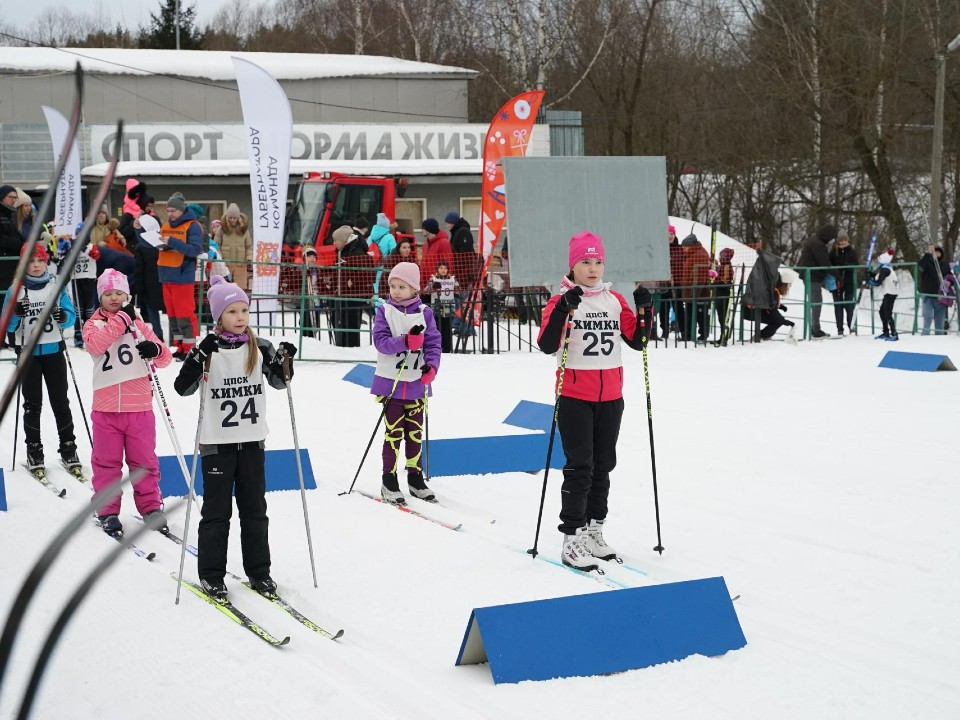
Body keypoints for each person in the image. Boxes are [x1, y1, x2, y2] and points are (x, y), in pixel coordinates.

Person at [173, 276, 295, 600]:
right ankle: (212, 575)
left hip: (253, 442)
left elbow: (281, 382)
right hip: (217, 445)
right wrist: (199, 357)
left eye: (244, 310)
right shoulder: (208, 349)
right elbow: (181, 388)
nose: (240, 317)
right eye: (232, 311)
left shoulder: (259, 346)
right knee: (217, 512)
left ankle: (259, 572)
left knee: (255, 510)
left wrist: (286, 359)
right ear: (218, 316)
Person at [536, 231, 650, 571]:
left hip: (611, 396)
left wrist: (645, 308)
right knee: (580, 467)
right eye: (585, 262)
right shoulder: (562, 300)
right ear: (573, 265)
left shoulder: (615, 299)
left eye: (598, 261)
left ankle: (593, 531)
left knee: (603, 466)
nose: (593, 268)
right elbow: (546, 344)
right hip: (574, 396)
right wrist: (563, 311)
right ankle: (571, 538)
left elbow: (638, 340)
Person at [81, 269, 172, 537]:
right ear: (100, 296)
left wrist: (154, 350)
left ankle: (151, 507)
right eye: (108, 294)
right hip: (107, 408)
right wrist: (122, 319)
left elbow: (164, 358)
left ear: (127, 295)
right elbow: (97, 346)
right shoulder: (93, 324)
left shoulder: (139, 323)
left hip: (139, 407)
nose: (114, 298)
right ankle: (107, 510)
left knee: (143, 461)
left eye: (119, 293)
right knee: (106, 463)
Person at [2, 243, 78, 473]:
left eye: (40, 261)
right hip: (29, 355)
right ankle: (34, 450)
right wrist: (17, 313)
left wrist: (62, 315)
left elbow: (70, 319)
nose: (36, 266)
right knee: (32, 405)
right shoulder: (15, 289)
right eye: (31, 261)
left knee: (61, 402)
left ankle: (68, 448)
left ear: (47, 262)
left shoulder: (56, 287)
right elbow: (7, 324)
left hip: (54, 351)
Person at [371, 261, 441, 505]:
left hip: (416, 384)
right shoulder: (385, 312)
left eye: (402, 286)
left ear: (414, 289)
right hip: (390, 382)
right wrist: (404, 342)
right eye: (393, 286)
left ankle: (415, 476)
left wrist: (432, 367)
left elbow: (433, 343)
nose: (396, 291)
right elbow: (380, 342)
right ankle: (388, 478)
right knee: (394, 432)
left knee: (415, 432)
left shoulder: (425, 313)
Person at [158, 194, 203, 360]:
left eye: (173, 211)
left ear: (182, 210)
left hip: (183, 276)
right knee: (173, 316)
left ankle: (189, 347)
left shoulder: (193, 226)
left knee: (185, 314)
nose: (170, 214)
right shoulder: (166, 225)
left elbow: (195, 250)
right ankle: (179, 346)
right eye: (168, 210)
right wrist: (139, 229)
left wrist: (172, 242)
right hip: (166, 275)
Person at [796, 224, 838, 338]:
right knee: (816, 302)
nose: (831, 241)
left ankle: (814, 328)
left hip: (809, 276)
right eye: (831, 238)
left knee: (815, 302)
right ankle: (815, 330)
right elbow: (824, 262)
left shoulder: (812, 240)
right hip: (812, 277)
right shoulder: (818, 245)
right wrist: (836, 274)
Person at [131, 215, 165, 342]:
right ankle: (174, 338)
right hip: (163, 280)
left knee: (152, 311)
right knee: (169, 311)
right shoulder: (162, 243)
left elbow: (139, 269)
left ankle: (158, 334)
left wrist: (138, 287)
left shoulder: (141, 247)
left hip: (148, 283)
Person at [678, 233, 711, 341]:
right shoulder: (691, 255)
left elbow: (700, 277)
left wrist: (694, 294)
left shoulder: (700, 255)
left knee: (700, 315)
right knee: (690, 314)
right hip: (691, 292)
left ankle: (702, 334)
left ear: (691, 246)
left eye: (684, 247)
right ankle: (688, 334)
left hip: (698, 293)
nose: (683, 249)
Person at [423, 259, 458, 352]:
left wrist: (457, 288)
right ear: (437, 269)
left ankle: (447, 347)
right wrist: (433, 287)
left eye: (445, 268)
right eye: (441, 268)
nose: (443, 270)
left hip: (448, 307)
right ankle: (438, 346)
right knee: (437, 328)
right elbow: (426, 291)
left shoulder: (452, 279)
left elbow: (458, 290)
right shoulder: (433, 278)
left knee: (448, 328)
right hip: (437, 308)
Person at [828, 230, 858, 335]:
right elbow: (829, 264)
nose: (843, 242)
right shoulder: (833, 251)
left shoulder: (852, 251)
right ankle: (840, 329)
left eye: (845, 239)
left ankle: (851, 326)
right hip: (837, 282)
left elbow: (855, 264)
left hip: (849, 281)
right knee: (838, 306)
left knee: (849, 305)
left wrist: (845, 265)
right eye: (841, 240)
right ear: (838, 241)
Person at [216, 203, 252, 290]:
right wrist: (220, 258)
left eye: (234, 218)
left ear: (238, 217)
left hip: (241, 265)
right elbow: (216, 245)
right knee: (225, 288)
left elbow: (248, 246)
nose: (232, 220)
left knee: (240, 289)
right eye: (230, 217)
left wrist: (249, 257)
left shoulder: (244, 230)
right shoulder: (221, 229)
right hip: (225, 264)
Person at [919, 245, 951, 335]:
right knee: (928, 317)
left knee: (940, 321)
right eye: (935, 252)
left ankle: (939, 339)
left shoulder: (945, 265)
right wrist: (928, 254)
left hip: (940, 296)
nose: (937, 254)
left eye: (939, 253)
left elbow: (950, 277)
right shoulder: (927, 263)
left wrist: (949, 283)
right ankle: (924, 336)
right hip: (928, 295)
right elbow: (921, 267)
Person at [757, 268, 798, 340]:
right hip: (754, 312)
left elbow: (771, 303)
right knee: (778, 321)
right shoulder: (774, 291)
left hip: (759, 310)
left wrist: (780, 306)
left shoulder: (774, 288)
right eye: (789, 284)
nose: (790, 287)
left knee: (778, 320)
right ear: (785, 284)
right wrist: (786, 322)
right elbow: (773, 311)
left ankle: (763, 335)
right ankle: (760, 336)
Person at [869, 250, 899, 340]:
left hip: (890, 294)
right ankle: (886, 332)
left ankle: (894, 333)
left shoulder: (885, 269)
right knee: (882, 312)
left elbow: (877, 283)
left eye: (879, 261)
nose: (877, 262)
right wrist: (870, 274)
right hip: (888, 293)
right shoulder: (886, 268)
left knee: (887, 313)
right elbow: (877, 277)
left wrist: (869, 280)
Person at [0, 184, 22, 297]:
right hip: (3, 262)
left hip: (12, 262)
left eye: (15, 197)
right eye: (10, 197)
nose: (13, 200)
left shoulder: (12, 214)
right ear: (2, 197)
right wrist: (20, 245)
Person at [420, 217, 452, 289]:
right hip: (425, 283)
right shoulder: (426, 244)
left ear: (428, 229)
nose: (422, 230)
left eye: (423, 228)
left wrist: (442, 280)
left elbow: (448, 263)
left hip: (438, 284)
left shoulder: (444, 243)